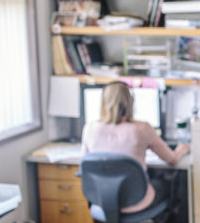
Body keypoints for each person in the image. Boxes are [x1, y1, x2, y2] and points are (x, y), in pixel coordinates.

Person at [81, 81, 190, 213]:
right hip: (137, 201)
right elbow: (171, 160)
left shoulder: (89, 128)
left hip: (103, 201)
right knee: (167, 184)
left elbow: (85, 164)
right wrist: (180, 150)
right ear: (130, 102)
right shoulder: (142, 128)